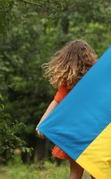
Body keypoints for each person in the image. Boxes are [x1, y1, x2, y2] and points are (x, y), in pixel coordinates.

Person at [36, 39, 98, 179]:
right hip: (94, 130)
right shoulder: (97, 73)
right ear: (87, 54)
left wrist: (42, 122)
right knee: (97, 172)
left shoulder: (68, 81)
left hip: (75, 132)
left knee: (75, 173)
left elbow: (56, 100)